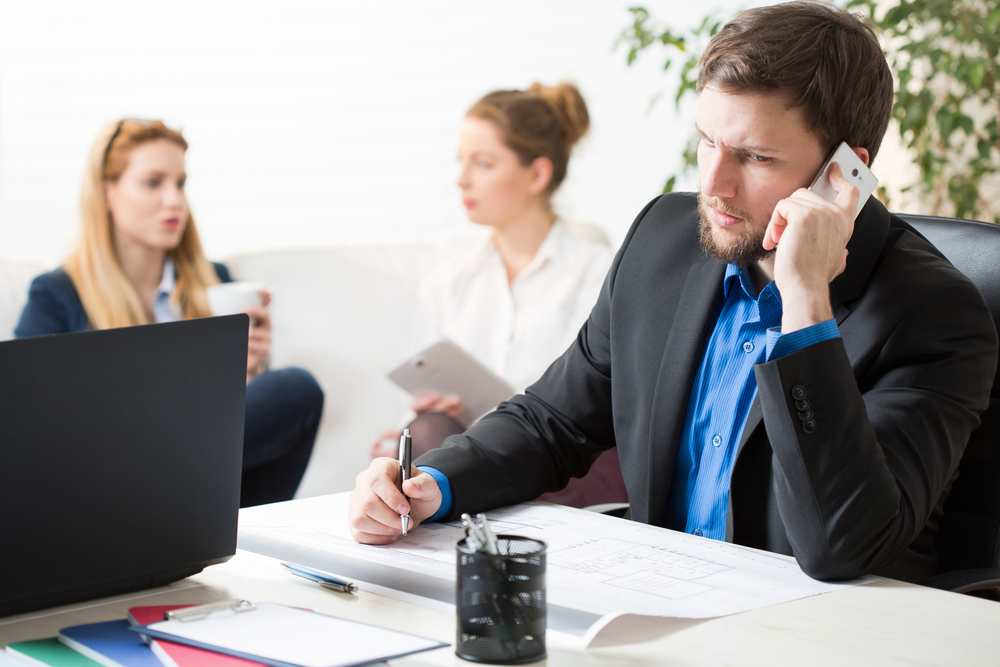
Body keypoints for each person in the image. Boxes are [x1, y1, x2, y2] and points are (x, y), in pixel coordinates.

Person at [348, 1, 998, 585]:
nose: (712, 183)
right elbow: (554, 420)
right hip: (659, 608)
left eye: (754, 156)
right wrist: (431, 483)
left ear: (843, 174)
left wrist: (805, 303)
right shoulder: (664, 241)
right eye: (706, 142)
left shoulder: (933, 315)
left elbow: (840, 547)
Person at [16, 119, 324, 507]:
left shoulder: (215, 284)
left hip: (202, 487)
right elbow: (26, 423)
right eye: (153, 182)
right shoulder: (57, 294)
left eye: (180, 184)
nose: (174, 200)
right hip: (105, 482)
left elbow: (239, 430)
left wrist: (246, 371)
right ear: (107, 191)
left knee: (295, 390)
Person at [374, 83, 626, 508]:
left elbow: (590, 407)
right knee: (428, 430)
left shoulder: (597, 273)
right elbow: (415, 416)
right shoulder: (449, 281)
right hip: (461, 459)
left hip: (558, 467)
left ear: (537, 175)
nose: (462, 178)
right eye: (461, 161)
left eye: (483, 163)